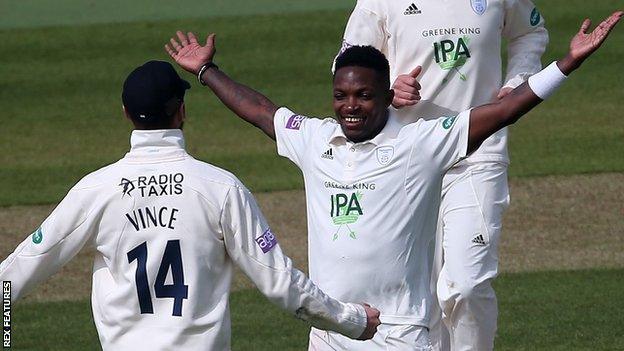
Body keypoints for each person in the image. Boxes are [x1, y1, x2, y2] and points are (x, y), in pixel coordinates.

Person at [165, 11, 621, 350]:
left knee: (463, 285)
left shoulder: (420, 145)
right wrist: (207, 72)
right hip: (331, 337)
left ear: (387, 96)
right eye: (341, 96)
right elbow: (260, 111)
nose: (350, 106)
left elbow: (503, 110)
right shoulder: (315, 139)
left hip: (399, 337)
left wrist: (566, 64)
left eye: (363, 96)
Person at [0, 60, 381, 350]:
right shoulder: (220, 188)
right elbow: (280, 283)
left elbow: (19, 270)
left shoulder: (96, 189)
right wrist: (351, 321)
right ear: (182, 111)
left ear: (126, 114)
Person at [337, 1, 549, 349]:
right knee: (420, 295)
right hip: (407, 161)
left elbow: (530, 32)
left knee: (466, 284)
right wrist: (389, 88)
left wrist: (518, 81)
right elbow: (347, 63)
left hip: (478, 152)